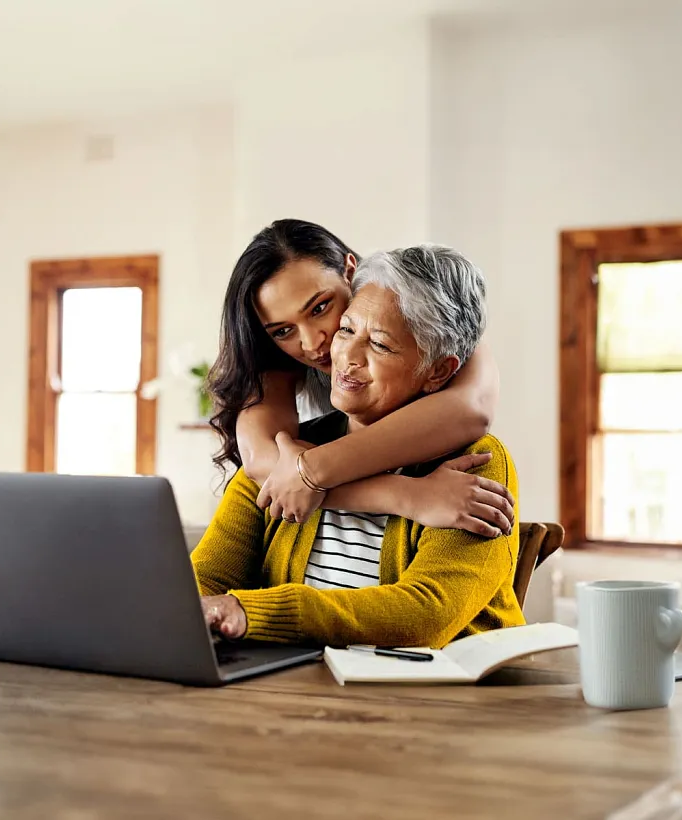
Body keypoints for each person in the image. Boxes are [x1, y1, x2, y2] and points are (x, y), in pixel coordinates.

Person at [193, 245, 523, 648]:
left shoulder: (478, 464)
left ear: (438, 372)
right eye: (346, 330)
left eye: (381, 345)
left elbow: (425, 615)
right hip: (300, 692)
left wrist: (254, 612)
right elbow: (203, 580)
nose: (344, 356)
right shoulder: (289, 455)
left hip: (440, 699)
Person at [207, 219, 513, 537]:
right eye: (284, 330)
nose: (312, 343)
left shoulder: (425, 315)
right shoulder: (273, 360)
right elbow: (266, 464)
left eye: (320, 308)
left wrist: (311, 470)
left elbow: (470, 410)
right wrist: (407, 496)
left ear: (349, 272)